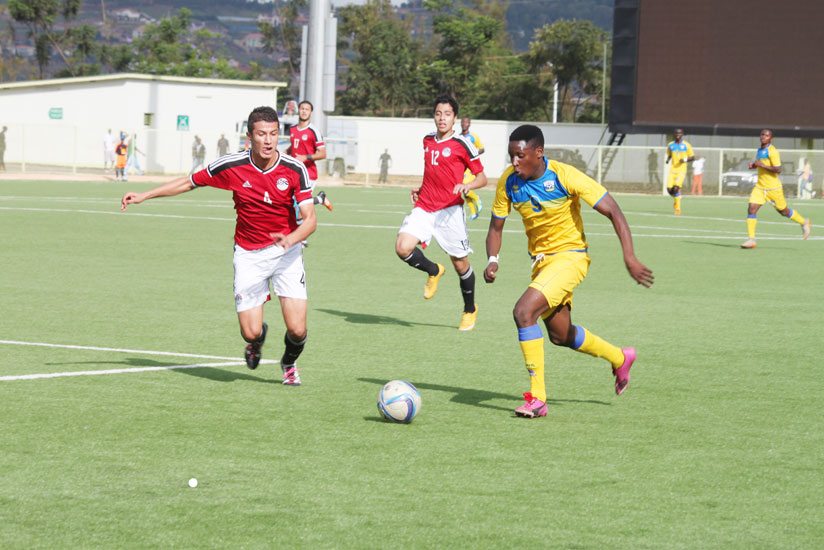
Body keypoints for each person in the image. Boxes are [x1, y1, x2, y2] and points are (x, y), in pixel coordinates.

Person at [120, 106, 316, 386]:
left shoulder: (294, 169)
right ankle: (257, 340)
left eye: (273, 134)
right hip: (249, 254)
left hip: (287, 253)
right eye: (262, 134)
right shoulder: (231, 165)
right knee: (250, 332)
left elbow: (310, 220)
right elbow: (189, 183)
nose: (269, 140)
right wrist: (144, 195)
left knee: (297, 329)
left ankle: (288, 362)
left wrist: (291, 239)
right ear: (250, 136)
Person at [484, 125, 654, 418]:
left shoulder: (565, 176)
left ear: (538, 153)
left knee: (524, 312)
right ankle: (620, 357)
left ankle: (537, 399)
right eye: (511, 155)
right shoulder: (508, 182)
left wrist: (629, 256)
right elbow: (495, 226)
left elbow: (613, 209)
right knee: (560, 335)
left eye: (520, 155)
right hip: (542, 264)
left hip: (570, 258)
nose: (514, 162)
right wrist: (492, 259)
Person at [395, 95, 487, 331]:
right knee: (402, 247)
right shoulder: (427, 140)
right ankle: (434, 270)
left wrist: (468, 186)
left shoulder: (462, 144)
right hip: (425, 206)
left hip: (450, 212)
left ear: (455, 118)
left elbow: (482, 178)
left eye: (447, 114)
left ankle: (469, 309)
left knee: (460, 264)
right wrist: (422, 187)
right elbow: (433, 172)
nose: (442, 118)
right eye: (438, 113)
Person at [741, 129, 811, 248]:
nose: (763, 136)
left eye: (766, 135)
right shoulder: (759, 150)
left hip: (773, 189)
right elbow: (762, 166)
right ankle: (751, 239)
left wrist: (761, 165)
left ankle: (803, 222)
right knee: (751, 208)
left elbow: (778, 169)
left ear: (771, 139)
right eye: (762, 134)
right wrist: (754, 166)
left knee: (783, 211)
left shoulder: (772, 151)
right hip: (760, 187)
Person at [286, 100, 333, 211]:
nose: (304, 111)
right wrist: (280, 155)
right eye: (302, 109)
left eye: (307, 109)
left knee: (300, 203)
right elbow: (293, 147)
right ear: (298, 111)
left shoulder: (314, 131)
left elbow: (323, 153)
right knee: (289, 201)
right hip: (293, 172)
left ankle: (319, 200)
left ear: (311, 112)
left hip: (308, 173)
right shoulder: (292, 128)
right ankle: (320, 199)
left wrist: (305, 157)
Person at [459, 116, 484, 220]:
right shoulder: (458, 136)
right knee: (464, 191)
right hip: (461, 166)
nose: (465, 124)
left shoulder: (473, 137)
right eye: (463, 122)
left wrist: (472, 155)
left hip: (470, 167)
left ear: (469, 124)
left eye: (467, 122)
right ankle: (473, 212)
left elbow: (482, 149)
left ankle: (477, 199)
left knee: (465, 186)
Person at [664, 128, 694, 215]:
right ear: (674, 134)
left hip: (681, 170)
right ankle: (677, 199)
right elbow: (670, 154)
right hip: (672, 170)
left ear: (682, 135)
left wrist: (684, 159)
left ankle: (677, 208)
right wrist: (668, 160)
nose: (678, 134)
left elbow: (692, 157)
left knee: (676, 188)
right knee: (669, 189)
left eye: (680, 133)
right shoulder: (670, 145)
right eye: (676, 133)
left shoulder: (686, 145)